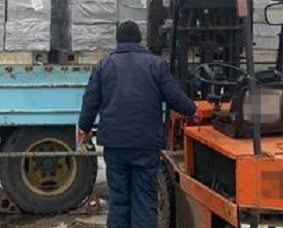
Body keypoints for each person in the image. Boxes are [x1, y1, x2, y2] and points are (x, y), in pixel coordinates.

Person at [77, 21, 199, 228]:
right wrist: (193, 110)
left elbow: (91, 101)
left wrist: (84, 126)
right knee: (144, 198)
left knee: (119, 199)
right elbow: (174, 96)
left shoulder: (103, 66)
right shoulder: (156, 65)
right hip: (146, 143)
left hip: (115, 144)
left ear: (118, 40)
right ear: (139, 40)